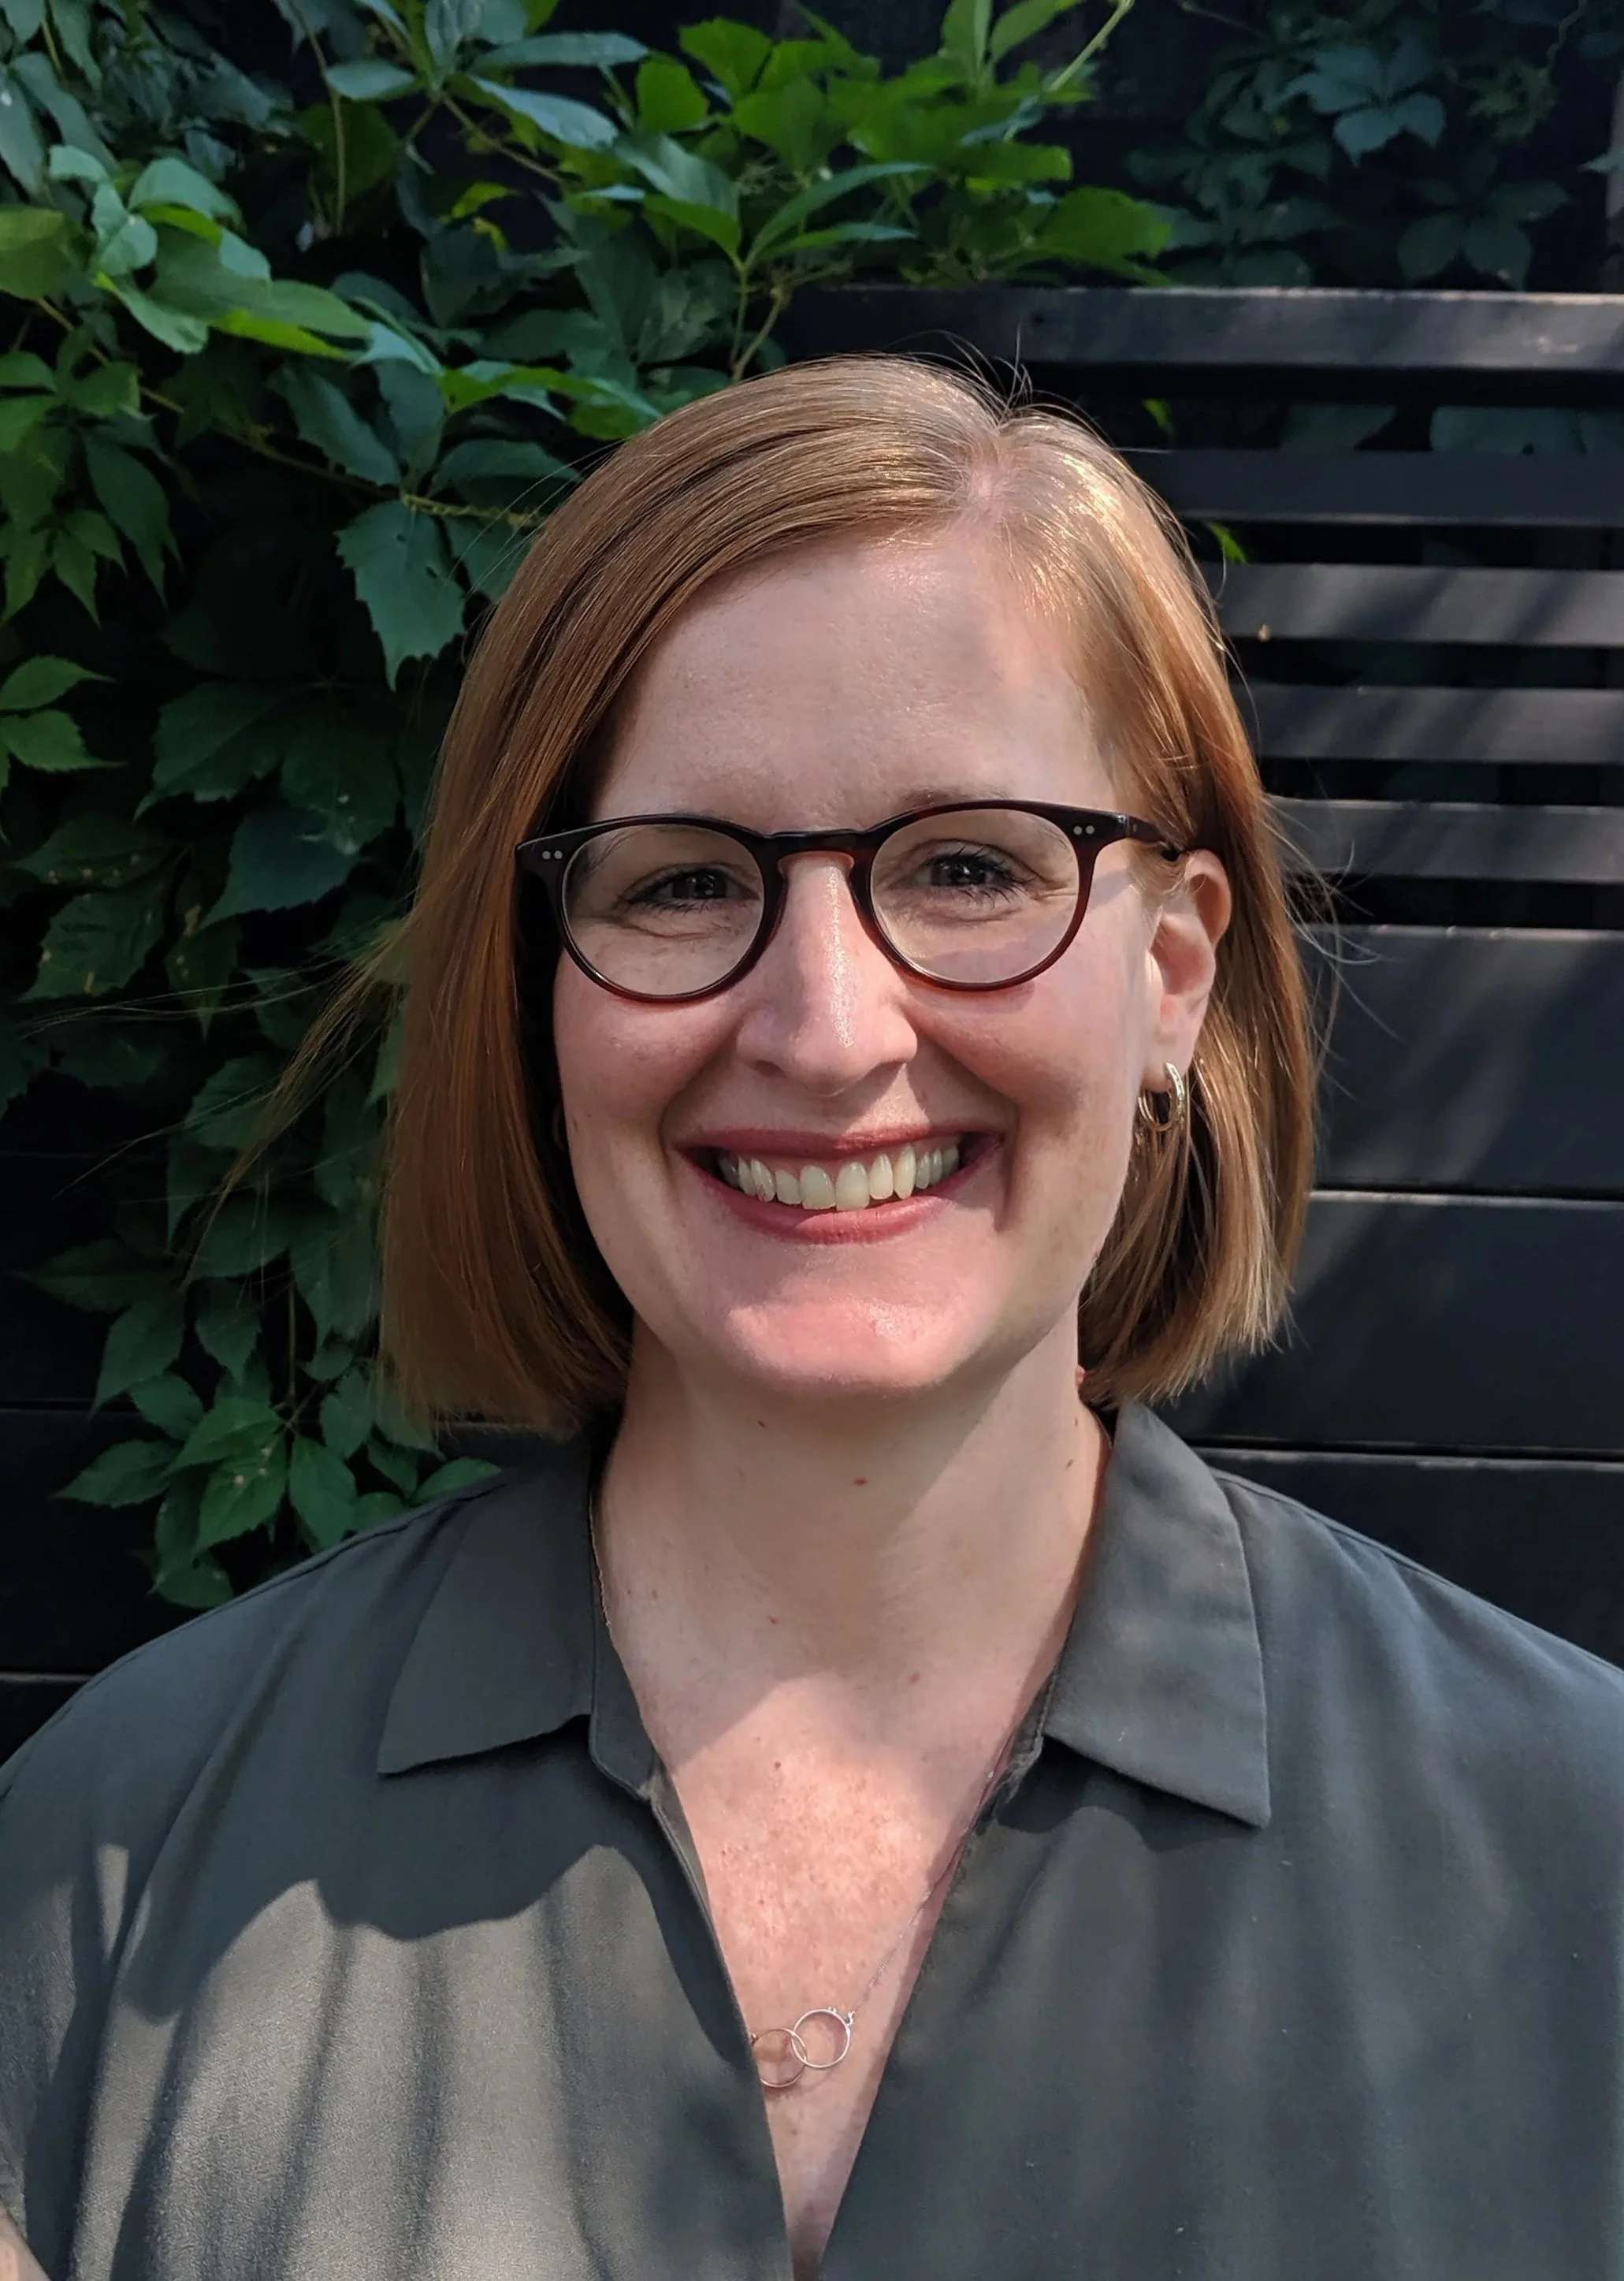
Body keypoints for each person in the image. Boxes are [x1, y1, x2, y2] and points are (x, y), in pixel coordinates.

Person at [3, 354, 1622, 2281]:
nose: (829, 1030)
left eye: (965, 867)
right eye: (685, 883)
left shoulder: (1575, 1859)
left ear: (1173, 973)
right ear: (540, 998)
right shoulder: (112, 1853)